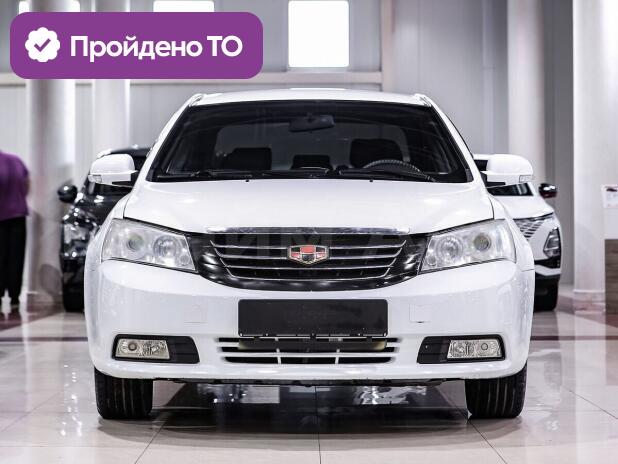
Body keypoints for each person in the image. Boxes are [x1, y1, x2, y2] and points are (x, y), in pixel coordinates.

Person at [0, 150, 29, 311]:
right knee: (16, 257)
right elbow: (27, 185)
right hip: (18, 215)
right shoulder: (16, 160)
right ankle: (15, 295)